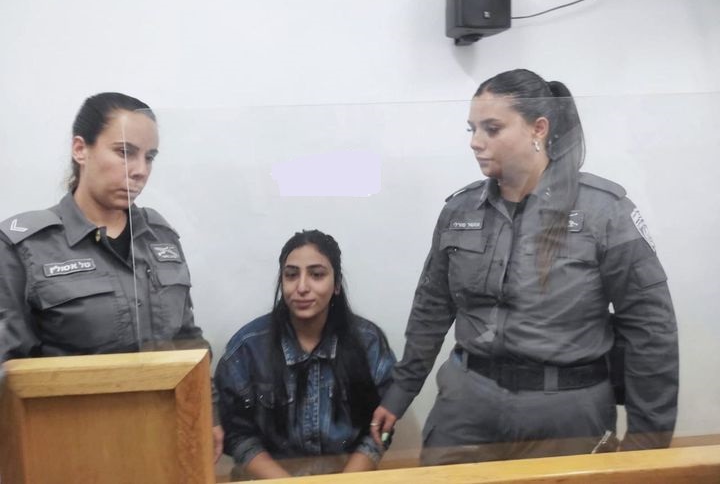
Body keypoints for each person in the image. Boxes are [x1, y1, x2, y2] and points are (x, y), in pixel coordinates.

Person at [371, 69, 679, 465]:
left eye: (492, 128)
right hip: (468, 404)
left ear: (538, 128)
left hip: (566, 412)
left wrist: (646, 443)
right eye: (472, 129)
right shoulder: (461, 210)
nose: (475, 142)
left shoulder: (604, 212)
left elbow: (650, 328)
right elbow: (431, 308)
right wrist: (400, 391)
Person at [0, 92, 223, 459]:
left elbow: (186, 340)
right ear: (80, 149)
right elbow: (10, 371)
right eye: (124, 152)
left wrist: (208, 410)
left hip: (164, 438)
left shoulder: (160, 238)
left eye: (149, 157)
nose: (140, 170)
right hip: (71, 448)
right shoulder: (28, 247)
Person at [216, 229, 396, 479]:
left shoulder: (368, 342)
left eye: (316, 275)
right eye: (291, 275)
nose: (302, 287)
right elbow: (237, 434)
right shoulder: (247, 348)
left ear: (336, 284)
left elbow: (382, 428)